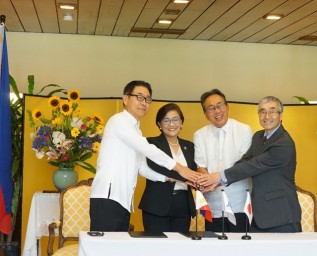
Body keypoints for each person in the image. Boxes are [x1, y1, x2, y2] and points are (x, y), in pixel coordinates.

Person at [90, 80, 199, 232]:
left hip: (123, 200)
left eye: (148, 99)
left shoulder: (136, 130)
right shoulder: (118, 121)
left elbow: (142, 167)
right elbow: (147, 149)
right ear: (125, 99)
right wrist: (180, 168)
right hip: (108, 197)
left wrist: (170, 177)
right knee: (104, 251)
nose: (144, 103)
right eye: (139, 97)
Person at [198, 96, 302, 233]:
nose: (267, 116)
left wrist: (218, 177)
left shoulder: (284, 143)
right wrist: (218, 182)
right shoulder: (258, 136)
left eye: (272, 111)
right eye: (262, 112)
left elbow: (253, 165)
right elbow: (245, 161)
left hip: (281, 216)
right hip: (259, 216)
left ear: (280, 115)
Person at [193, 89, 253, 232]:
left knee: (240, 249)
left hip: (239, 203)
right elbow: (200, 166)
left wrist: (215, 179)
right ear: (206, 114)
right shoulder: (199, 135)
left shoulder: (244, 130)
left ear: (227, 107)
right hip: (212, 203)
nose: (217, 111)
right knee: (214, 250)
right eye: (211, 108)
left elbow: (244, 166)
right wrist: (207, 182)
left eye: (220, 105)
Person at [139, 103, 196, 232]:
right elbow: (144, 169)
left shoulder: (190, 146)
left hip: (183, 206)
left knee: (179, 248)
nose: (172, 124)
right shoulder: (151, 143)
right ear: (159, 124)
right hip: (156, 205)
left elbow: (193, 171)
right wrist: (170, 178)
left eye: (175, 119)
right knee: (157, 249)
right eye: (166, 120)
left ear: (181, 123)